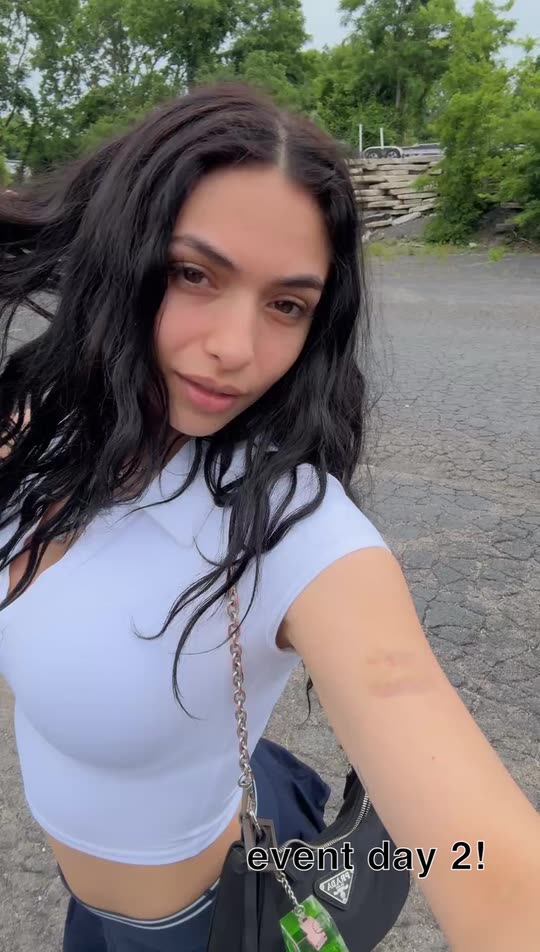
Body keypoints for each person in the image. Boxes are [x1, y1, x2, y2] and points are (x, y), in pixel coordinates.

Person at [0, 83, 538, 952]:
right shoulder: (38, 438)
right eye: (193, 273)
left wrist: (474, 870)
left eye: (287, 305)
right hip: (86, 910)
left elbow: (491, 865)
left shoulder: (293, 526)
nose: (236, 349)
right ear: (119, 252)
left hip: (190, 928)